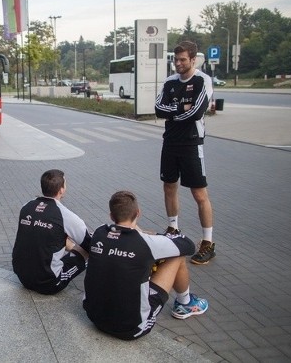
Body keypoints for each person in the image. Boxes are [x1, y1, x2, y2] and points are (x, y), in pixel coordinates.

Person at [83, 190, 209, 340]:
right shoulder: (146, 242)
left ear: (111, 216)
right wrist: (155, 234)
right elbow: (188, 246)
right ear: (138, 213)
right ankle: (185, 303)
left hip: (94, 318)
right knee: (177, 257)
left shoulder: (99, 232)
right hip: (131, 328)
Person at [154, 41, 215, 265]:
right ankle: (173, 227)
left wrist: (175, 113)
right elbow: (159, 109)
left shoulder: (202, 80)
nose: (178, 64)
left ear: (193, 60)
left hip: (191, 142)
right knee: (169, 186)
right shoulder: (170, 82)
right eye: (175, 59)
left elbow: (198, 112)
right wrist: (182, 109)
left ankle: (208, 242)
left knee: (199, 194)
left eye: (182, 60)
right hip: (170, 142)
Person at [12, 169, 92, 295]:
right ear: (61, 190)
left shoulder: (26, 206)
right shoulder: (66, 215)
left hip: (22, 277)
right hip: (49, 283)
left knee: (54, 235)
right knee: (87, 250)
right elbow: (91, 245)